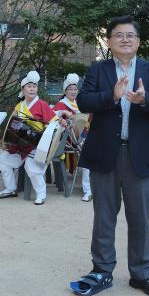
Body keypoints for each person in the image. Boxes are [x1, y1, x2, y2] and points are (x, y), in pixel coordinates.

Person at [69, 15, 149, 296]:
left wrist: (146, 100)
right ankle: (102, 270)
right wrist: (112, 97)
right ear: (109, 40)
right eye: (119, 35)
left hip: (139, 154)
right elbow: (83, 101)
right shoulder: (98, 70)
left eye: (130, 35)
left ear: (139, 41)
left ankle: (141, 275)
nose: (125, 39)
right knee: (104, 216)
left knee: (139, 217)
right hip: (106, 153)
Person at [0, 70, 62, 205]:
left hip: (37, 143)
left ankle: (41, 193)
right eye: (29, 86)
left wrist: (61, 122)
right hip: (20, 144)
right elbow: (13, 126)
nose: (32, 89)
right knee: (3, 161)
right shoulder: (19, 106)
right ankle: (10, 188)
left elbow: (54, 122)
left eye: (35, 86)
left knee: (31, 166)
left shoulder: (42, 104)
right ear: (23, 89)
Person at [54, 73, 92, 202]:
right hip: (70, 140)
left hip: (84, 136)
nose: (73, 92)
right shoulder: (61, 104)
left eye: (75, 89)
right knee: (88, 153)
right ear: (65, 91)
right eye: (70, 89)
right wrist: (63, 115)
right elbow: (53, 116)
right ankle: (88, 190)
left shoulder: (80, 103)